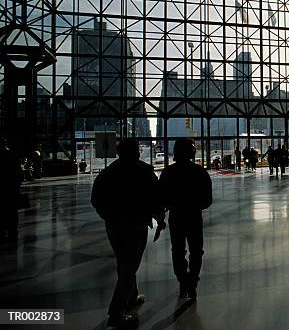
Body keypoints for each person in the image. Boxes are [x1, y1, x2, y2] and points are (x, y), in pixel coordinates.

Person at [91, 139, 165, 328]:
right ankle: (116, 312)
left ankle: (131, 297)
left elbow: (96, 199)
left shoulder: (108, 173)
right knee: (129, 266)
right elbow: (156, 198)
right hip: (136, 224)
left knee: (123, 261)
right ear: (137, 152)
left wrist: (107, 216)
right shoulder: (144, 172)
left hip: (114, 225)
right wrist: (159, 219)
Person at [159, 138, 213, 299]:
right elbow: (207, 200)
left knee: (177, 249)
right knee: (196, 250)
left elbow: (161, 197)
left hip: (176, 215)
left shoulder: (168, 172)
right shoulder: (200, 172)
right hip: (194, 215)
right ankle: (192, 281)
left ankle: (183, 280)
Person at [0, 138, 23, 243]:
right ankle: (12, 232)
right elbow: (18, 175)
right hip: (12, 189)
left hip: (3, 189)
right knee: (12, 212)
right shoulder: (12, 156)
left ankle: (3, 231)